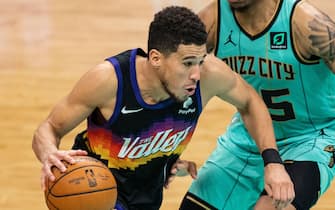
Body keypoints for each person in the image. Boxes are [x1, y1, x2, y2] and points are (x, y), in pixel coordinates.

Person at [32, 5, 293, 210]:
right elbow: (49, 128)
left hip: (147, 199)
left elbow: (251, 102)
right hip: (93, 194)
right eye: (187, 63)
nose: (196, 74)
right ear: (155, 58)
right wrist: (48, 154)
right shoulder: (109, 80)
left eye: (200, 60)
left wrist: (273, 162)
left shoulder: (208, 74)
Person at [179, 0, 335, 209]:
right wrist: (167, 154)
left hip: (311, 137)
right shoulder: (211, 21)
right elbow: (168, 84)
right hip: (247, 137)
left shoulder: (308, 24)